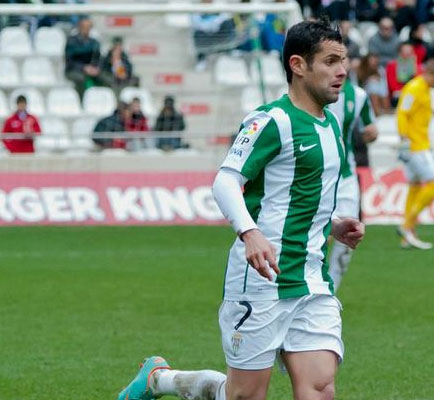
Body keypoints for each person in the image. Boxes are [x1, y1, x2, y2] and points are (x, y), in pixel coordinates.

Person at [116, 19, 365, 400]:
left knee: (319, 388)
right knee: (243, 395)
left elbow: (293, 196)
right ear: (298, 65)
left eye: (343, 60)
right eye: (331, 61)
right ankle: (161, 379)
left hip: (312, 279)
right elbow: (226, 181)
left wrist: (332, 225)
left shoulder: (330, 124)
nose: (342, 70)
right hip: (261, 280)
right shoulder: (271, 121)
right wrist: (249, 232)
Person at [327, 48, 379, 292]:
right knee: (318, 236)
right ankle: (307, 287)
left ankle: (330, 291)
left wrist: (372, 133)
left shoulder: (358, 96)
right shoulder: (315, 92)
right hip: (317, 177)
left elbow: (371, 128)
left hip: (346, 178)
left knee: (347, 237)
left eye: (344, 59)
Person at [396, 58, 434, 250]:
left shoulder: (424, 88)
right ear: (431, 73)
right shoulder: (415, 87)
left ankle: (407, 236)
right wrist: (404, 139)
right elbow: (402, 113)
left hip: (419, 143)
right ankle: (407, 224)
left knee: (415, 186)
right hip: (415, 146)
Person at [64, 17, 103, 98]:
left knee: (105, 77)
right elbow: (69, 61)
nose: (86, 29)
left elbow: (98, 58)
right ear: (79, 27)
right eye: (84, 27)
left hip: (91, 70)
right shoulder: (71, 41)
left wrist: (96, 68)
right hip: (74, 70)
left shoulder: (94, 42)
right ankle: (82, 102)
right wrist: (84, 68)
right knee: (81, 79)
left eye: (88, 27)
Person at [386, 42, 420, 106]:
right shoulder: (392, 66)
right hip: (398, 95)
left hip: (413, 93)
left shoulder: (415, 66)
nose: (408, 54)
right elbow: (393, 86)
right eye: (405, 51)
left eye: (410, 51)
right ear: (400, 52)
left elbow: (418, 82)